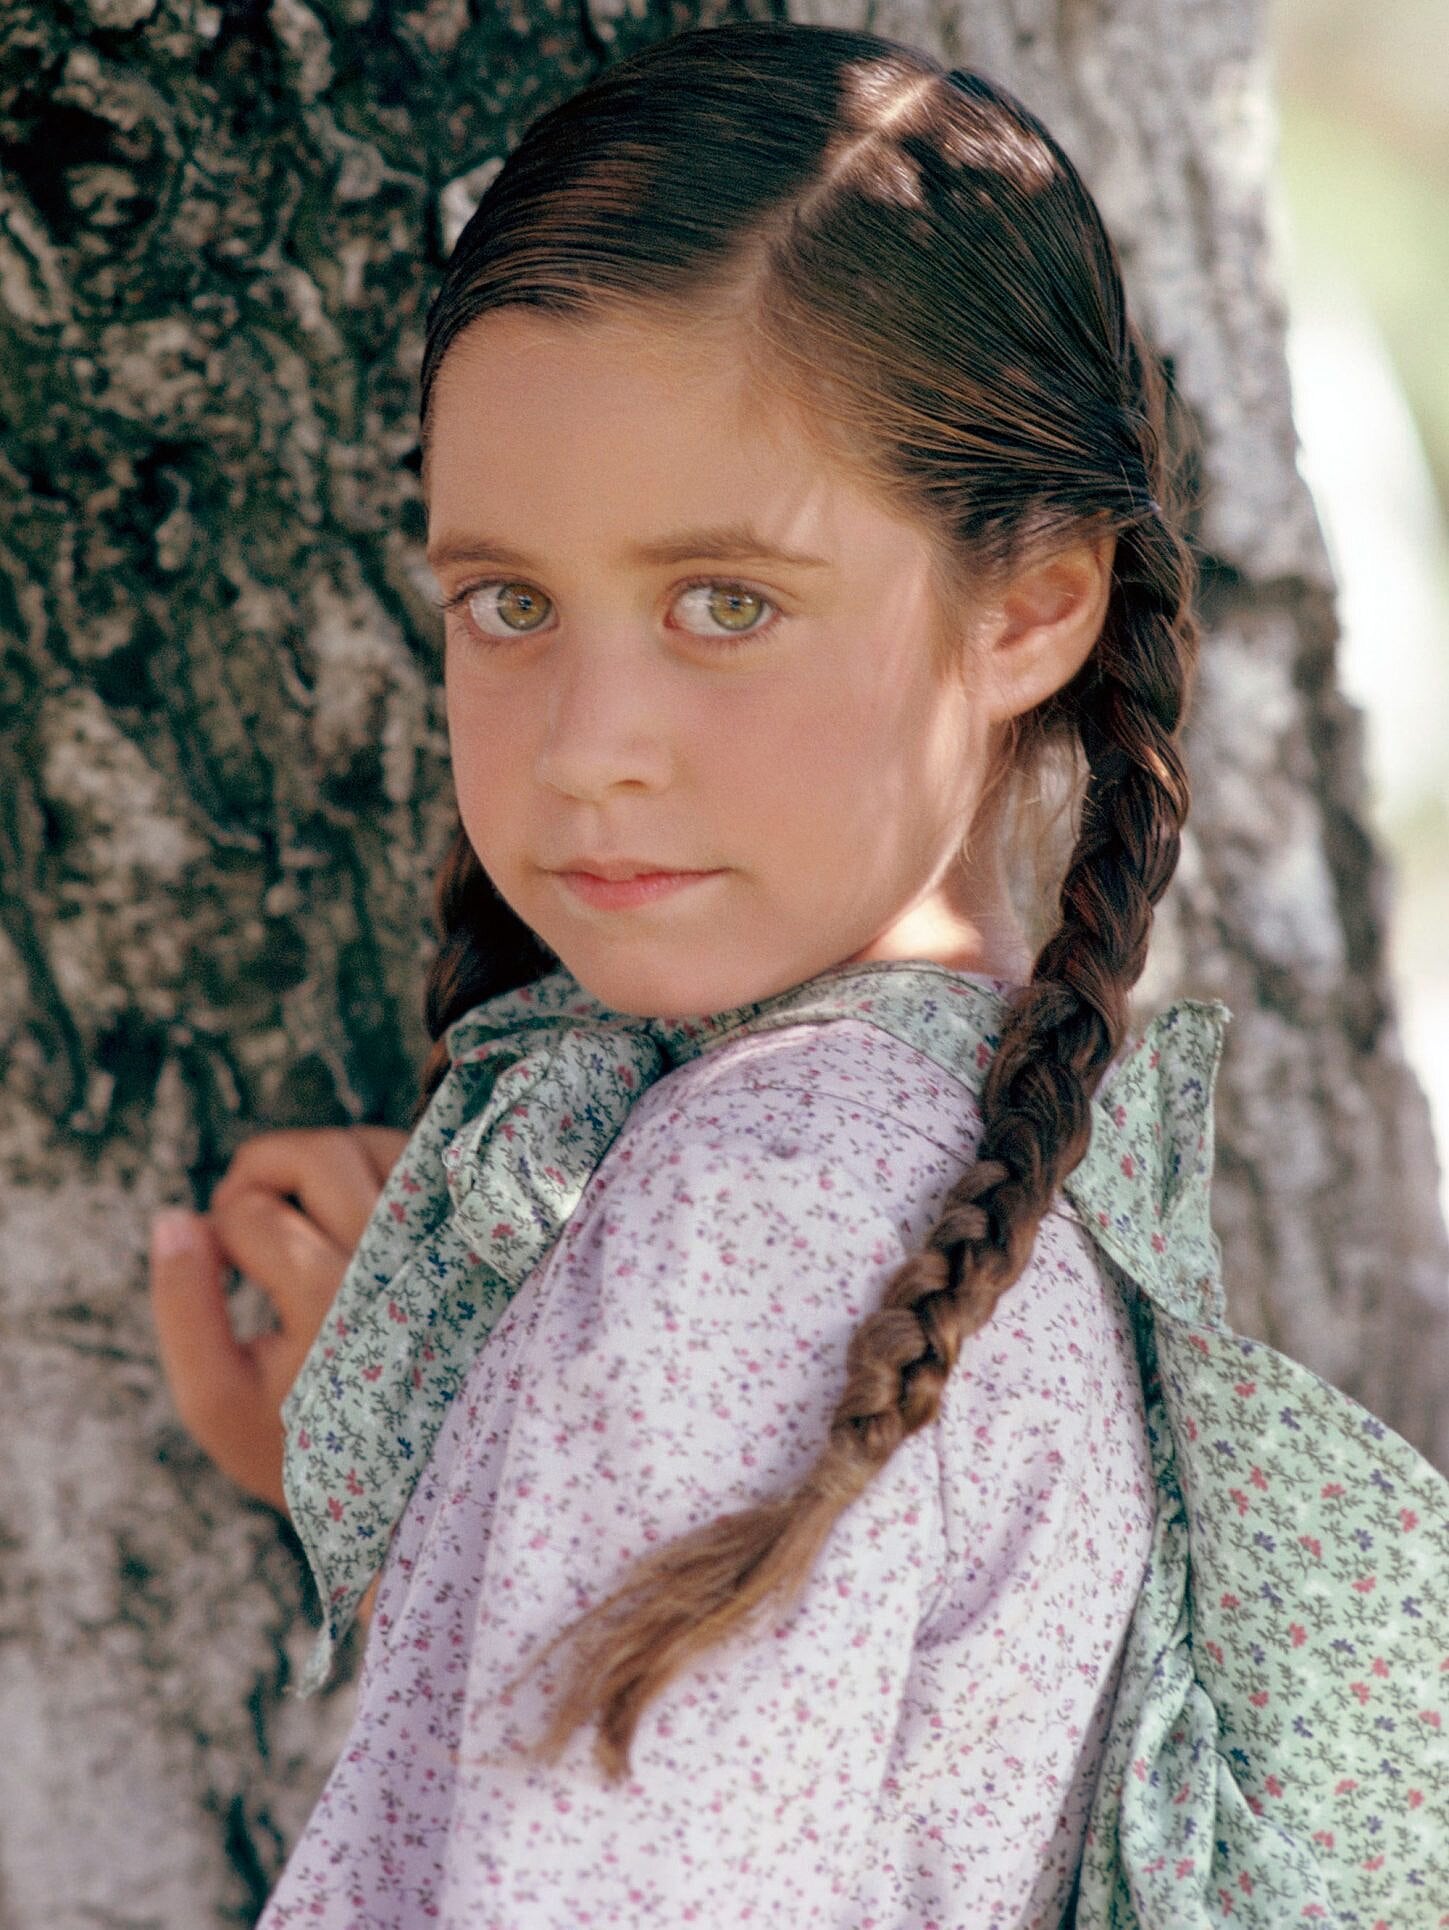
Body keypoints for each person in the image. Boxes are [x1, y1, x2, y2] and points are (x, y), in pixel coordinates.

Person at [146, 22, 1449, 1929]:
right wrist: (478, 1460)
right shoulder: (947, 1171)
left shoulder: (752, 1223)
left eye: (724, 603)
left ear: (1030, 606)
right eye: (506, 602)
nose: (591, 741)